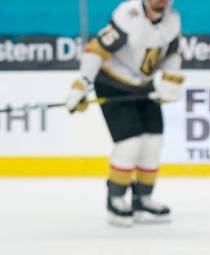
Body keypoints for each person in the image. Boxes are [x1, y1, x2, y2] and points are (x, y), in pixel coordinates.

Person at [65, 0, 183, 227]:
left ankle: (143, 199)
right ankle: (116, 199)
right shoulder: (128, 14)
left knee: (153, 143)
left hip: (144, 86)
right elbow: (96, 50)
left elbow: (172, 52)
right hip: (112, 83)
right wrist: (82, 85)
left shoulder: (172, 20)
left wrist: (171, 80)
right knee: (130, 144)